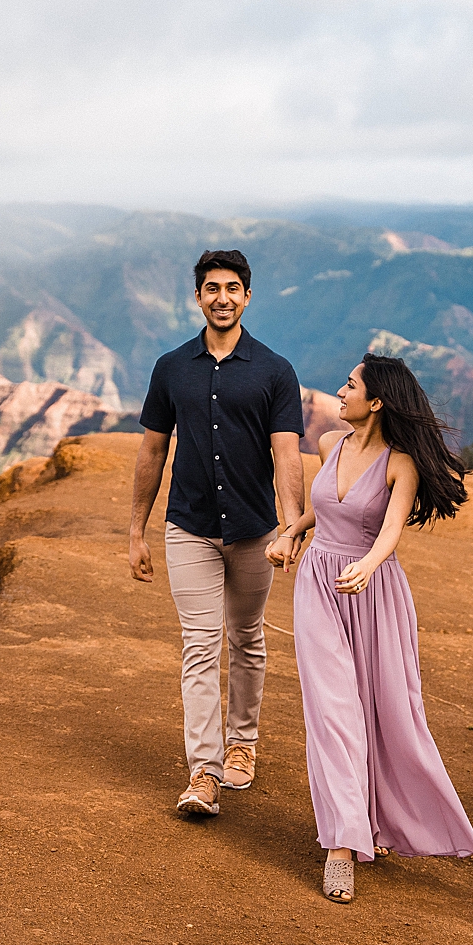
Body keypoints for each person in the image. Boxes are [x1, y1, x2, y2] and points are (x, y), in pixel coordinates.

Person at [267, 354, 473, 903]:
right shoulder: (329, 446)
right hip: (320, 587)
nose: (340, 391)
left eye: (350, 385)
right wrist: (290, 533)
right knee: (334, 711)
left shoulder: (400, 462)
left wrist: (368, 564)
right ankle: (343, 845)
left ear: (377, 401)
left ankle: (381, 820)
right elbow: (326, 508)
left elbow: (389, 532)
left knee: (383, 712)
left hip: (373, 593)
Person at [130, 251, 306, 819]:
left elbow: (286, 454)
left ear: (248, 296)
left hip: (255, 532)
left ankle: (243, 743)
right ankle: (203, 771)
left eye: (233, 288)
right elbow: (153, 450)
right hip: (190, 529)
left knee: (247, 637)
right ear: (198, 297)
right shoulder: (171, 367)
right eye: (212, 288)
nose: (222, 297)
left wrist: (293, 525)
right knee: (200, 646)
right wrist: (136, 531)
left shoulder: (275, 371)